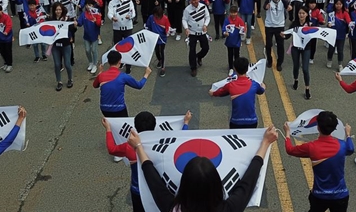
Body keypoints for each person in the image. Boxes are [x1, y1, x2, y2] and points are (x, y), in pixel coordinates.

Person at [128, 125, 278, 212]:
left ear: (184, 185)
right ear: (217, 184)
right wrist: (265, 143)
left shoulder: (172, 209)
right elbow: (247, 182)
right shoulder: (229, 209)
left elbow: (154, 181)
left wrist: (139, 147)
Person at [102, 111, 192, 212]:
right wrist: (186, 123)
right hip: (158, 188)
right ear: (154, 125)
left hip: (138, 190)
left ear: (135, 126)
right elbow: (180, 139)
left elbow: (112, 149)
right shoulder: (163, 144)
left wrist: (108, 129)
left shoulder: (129, 147)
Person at [284, 111, 354, 212]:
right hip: (341, 194)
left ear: (318, 127)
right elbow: (350, 149)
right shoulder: (342, 145)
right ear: (335, 128)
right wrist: (348, 134)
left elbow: (289, 150)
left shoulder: (311, 147)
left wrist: (287, 134)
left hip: (319, 195)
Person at [93, 50, 151, 161]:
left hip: (104, 108)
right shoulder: (123, 76)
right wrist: (146, 74)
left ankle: (116, 149)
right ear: (120, 62)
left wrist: (100, 72)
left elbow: (95, 85)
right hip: (119, 108)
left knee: (112, 126)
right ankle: (122, 151)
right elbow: (139, 85)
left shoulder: (102, 76)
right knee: (124, 128)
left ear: (109, 62)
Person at [210, 57, 266, 129]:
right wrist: (263, 86)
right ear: (247, 69)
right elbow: (261, 91)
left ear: (235, 69)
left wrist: (212, 93)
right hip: (252, 121)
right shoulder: (254, 84)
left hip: (236, 121)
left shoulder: (230, 85)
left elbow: (219, 93)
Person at [48, 2, 77, 91]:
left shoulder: (67, 19)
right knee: (57, 64)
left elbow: (72, 29)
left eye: (60, 9)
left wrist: (75, 26)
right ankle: (59, 81)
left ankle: (70, 79)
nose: (58, 11)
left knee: (67, 64)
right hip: (55, 45)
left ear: (62, 10)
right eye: (56, 10)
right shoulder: (51, 19)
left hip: (66, 44)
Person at [107, 0, 136, 74]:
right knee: (118, 47)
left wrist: (130, 16)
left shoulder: (129, 1)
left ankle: (129, 65)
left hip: (127, 27)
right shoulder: (112, 2)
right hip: (117, 28)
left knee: (128, 47)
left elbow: (133, 12)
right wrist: (112, 18)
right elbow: (109, 13)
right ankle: (119, 63)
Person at [287, 6, 313, 99]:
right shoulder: (294, 24)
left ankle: (307, 89)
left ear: (306, 14)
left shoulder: (310, 24)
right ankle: (296, 80)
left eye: (303, 13)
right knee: (296, 66)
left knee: (305, 69)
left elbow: (314, 37)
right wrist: (282, 35)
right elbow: (287, 35)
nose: (301, 15)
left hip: (306, 48)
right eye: (299, 13)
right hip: (295, 48)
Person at [182, 0, 210, 77]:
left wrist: (205, 25)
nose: (193, 2)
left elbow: (207, 17)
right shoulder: (187, 9)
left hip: (202, 32)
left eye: (195, 0)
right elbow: (184, 20)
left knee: (206, 48)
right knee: (192, 50)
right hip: (192, 33)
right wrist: (186, 28)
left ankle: (199, 57)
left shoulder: (203, 7)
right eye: (191, 0)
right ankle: (193, 68)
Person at [263, 0, 291, 71]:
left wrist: (289, 7)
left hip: (280, 25)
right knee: (268, 44)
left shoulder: (283, 1)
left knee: (280, 45)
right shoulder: (268, 1)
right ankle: (269, 60)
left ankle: (279, 63)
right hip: (269, 25)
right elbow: (265, 7)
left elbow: (288, 7)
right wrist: (266, 7)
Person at [77, 0, 102, 75]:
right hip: (86, 36)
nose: (89, 7)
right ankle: (90, 62)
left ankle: (95, 64)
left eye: (91, 5)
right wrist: (76, 22)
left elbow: (99, 24)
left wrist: (96, 21)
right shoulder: (83, 14)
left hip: (94, 36)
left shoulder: (97, 13)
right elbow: (80, 23)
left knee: (94, 50)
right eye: (88, 5)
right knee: (87, 50)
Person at [144, 5, 171, 77]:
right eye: (155, 15)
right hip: (153, 38)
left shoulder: (165, 19)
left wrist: (167, 32)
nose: (156, 17)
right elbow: (147, 27)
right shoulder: (151, 18)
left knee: (162, 51)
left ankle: (163, 68)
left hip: (162, 39)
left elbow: (168, 29)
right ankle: (160, 60)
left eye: (158, 16)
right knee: (156, 51)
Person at [222, 5, 246, 74]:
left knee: (237, 55)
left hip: (236, 41)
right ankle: (231, 68)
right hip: (229, 41)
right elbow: (224, 28)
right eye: (231, 13)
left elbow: (243, 29)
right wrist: (225, 33)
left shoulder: (240, 20)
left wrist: (241, 30)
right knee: (230, 54)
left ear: (237, 13)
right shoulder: (227, 20)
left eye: (234, 13)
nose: (233, 14)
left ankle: (237, 67)